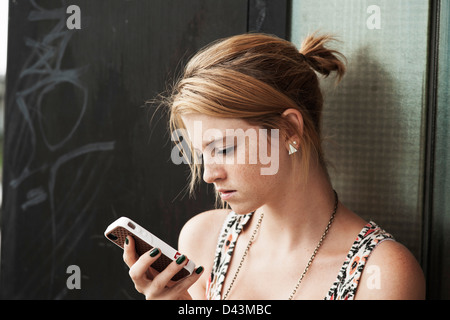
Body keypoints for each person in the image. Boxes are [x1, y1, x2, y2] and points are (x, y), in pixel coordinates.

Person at [122, 32, 426, 300]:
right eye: (201, 154)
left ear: (289, 129)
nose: (209, 174)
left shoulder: (381, 273)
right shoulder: (204, 240)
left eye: (225, 148)